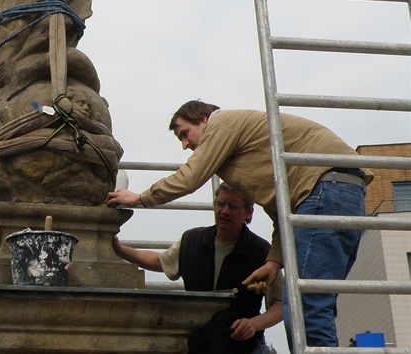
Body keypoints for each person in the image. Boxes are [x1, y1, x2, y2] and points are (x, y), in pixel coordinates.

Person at [105, 100, 373, 350]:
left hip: (325, 189)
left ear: (203, 119)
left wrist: (140, 198)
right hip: (342, 193)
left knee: (305, 307)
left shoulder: (222, 124)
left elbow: (191, 176)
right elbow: (281, 213)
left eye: (185, 134)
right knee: (311, 305)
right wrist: (273, 263)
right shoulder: (256, 160)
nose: (185, 145)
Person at [113, 183, 283, 354]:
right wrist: (119, 250)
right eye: (221, 204)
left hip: (242, 347)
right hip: (195, 345)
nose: (225, 211)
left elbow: (280, 305)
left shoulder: (264, 254)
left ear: (249, 213)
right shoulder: (192, 240)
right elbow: (160, 262)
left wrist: (254, 324)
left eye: (233, 206)